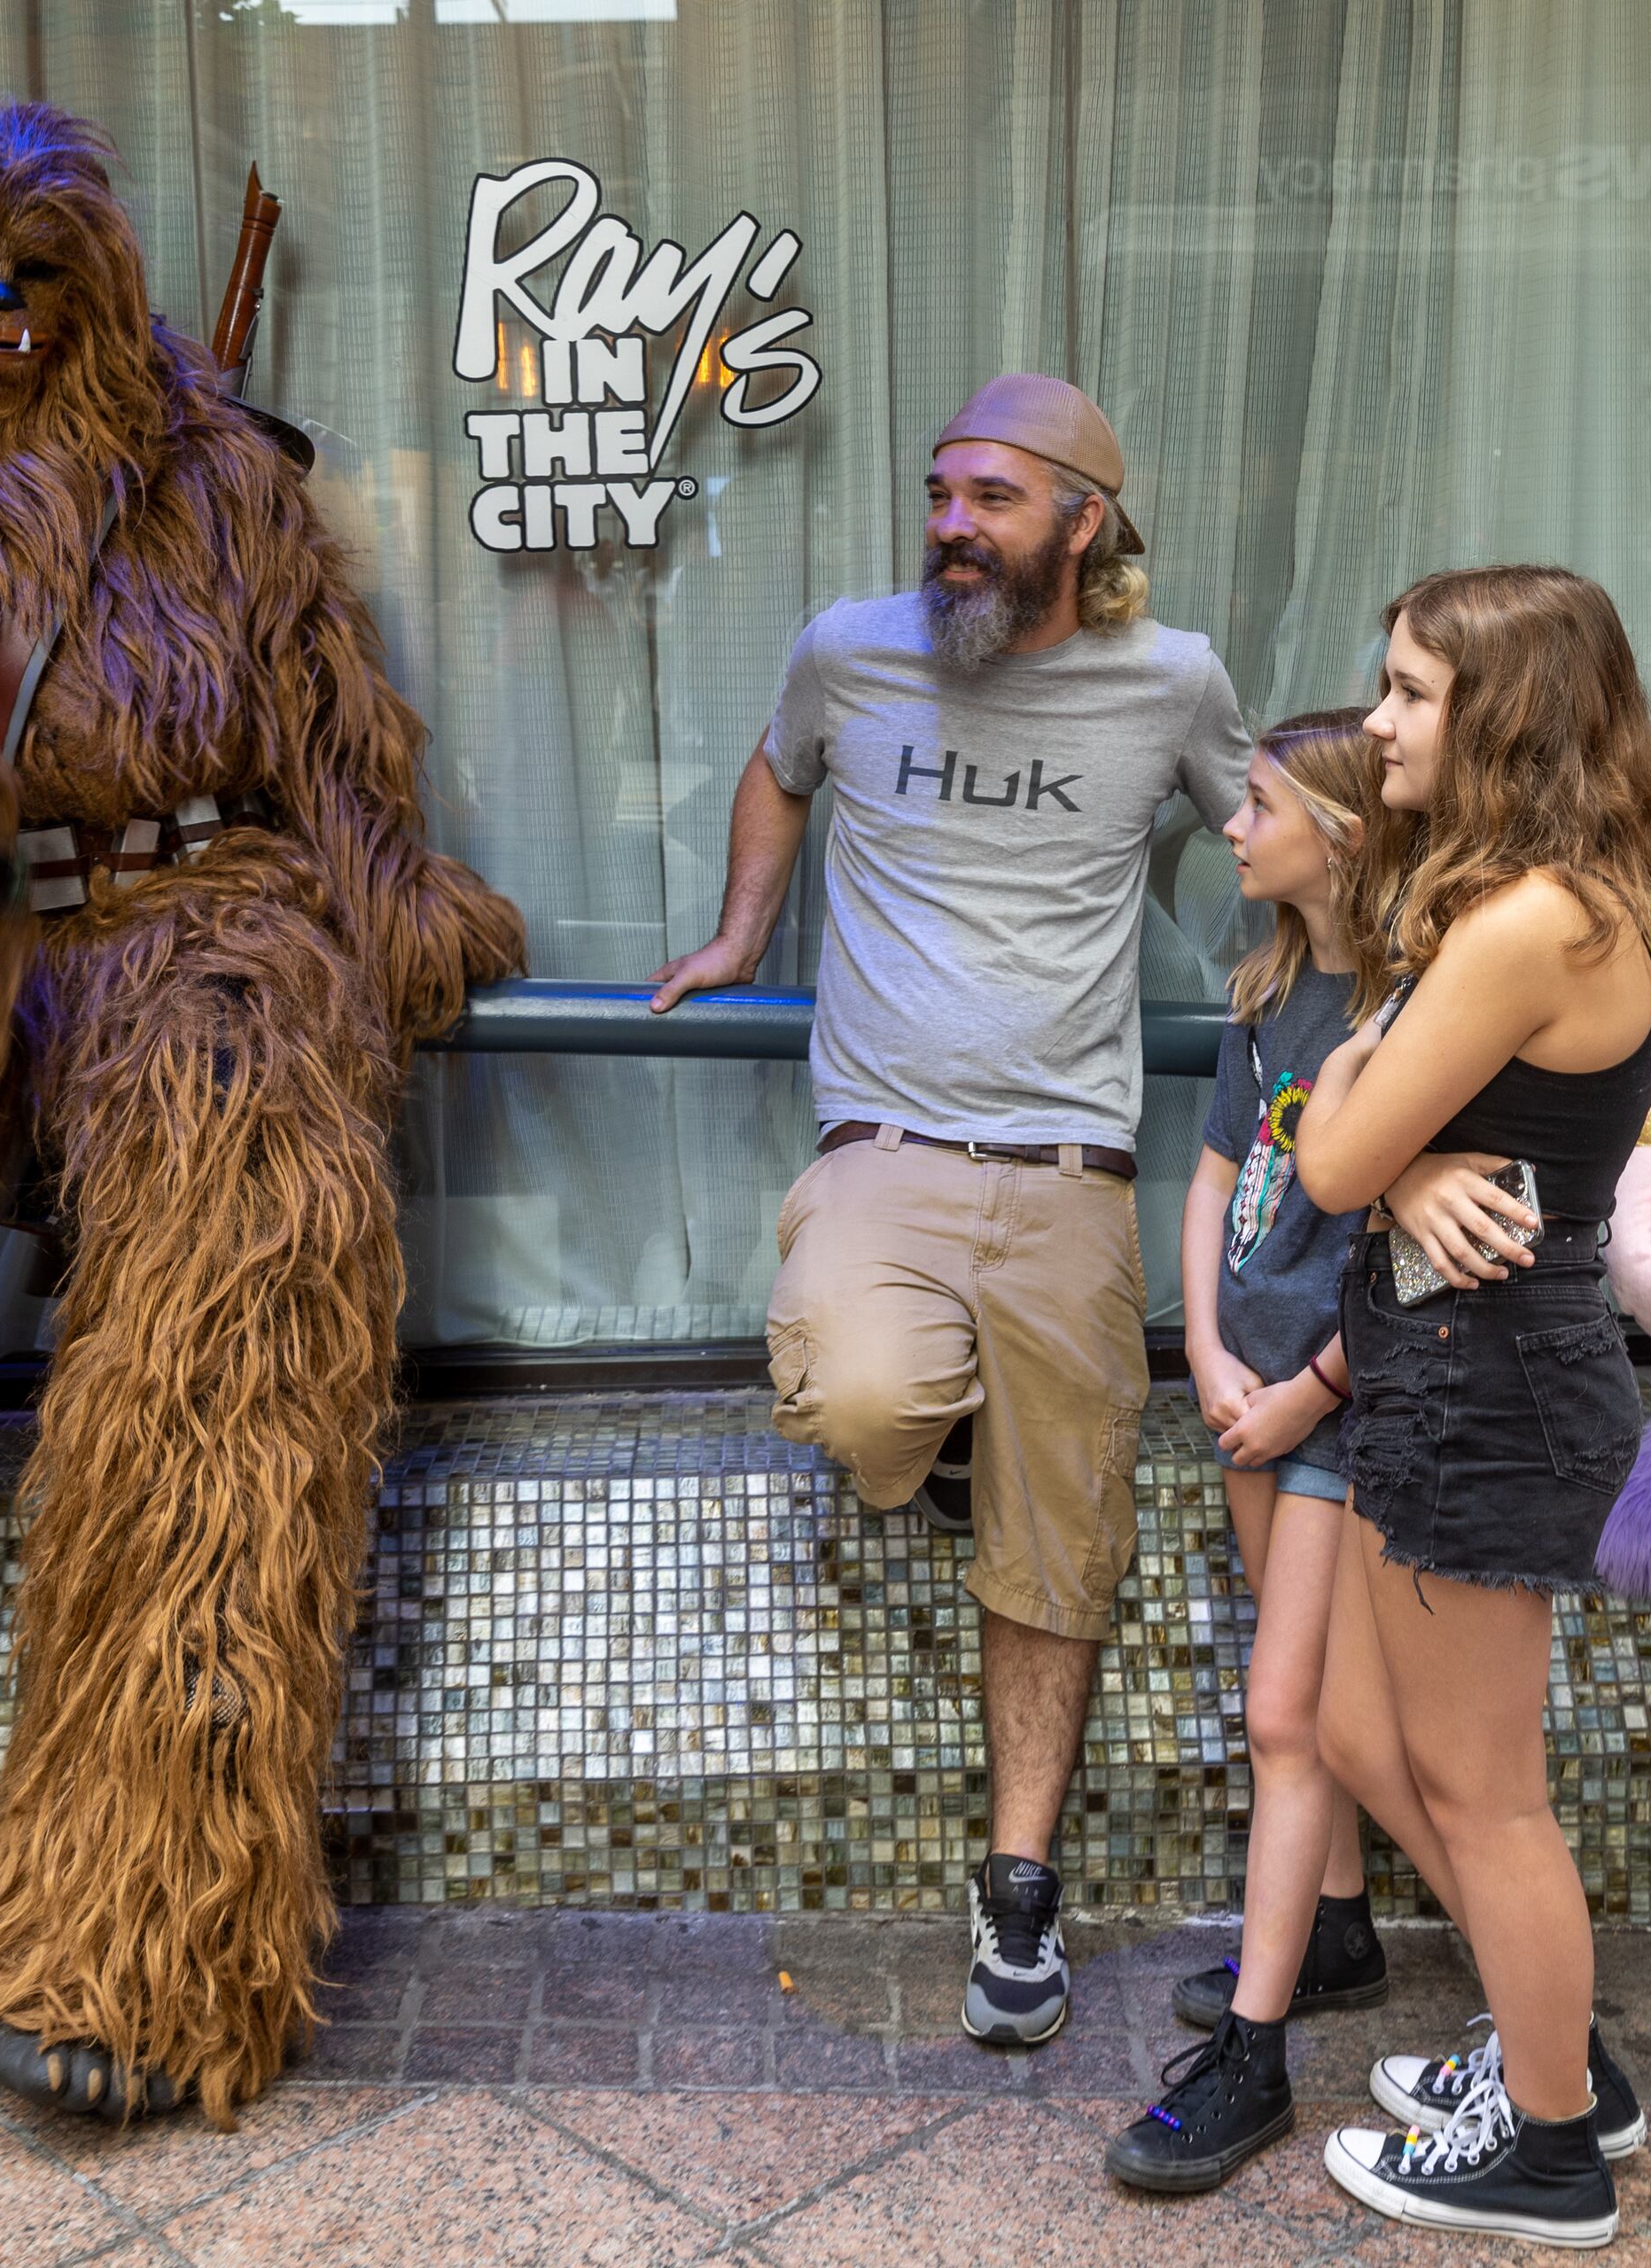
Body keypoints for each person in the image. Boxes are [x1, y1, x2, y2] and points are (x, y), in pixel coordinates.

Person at [650, 375, 1251, 2047]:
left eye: (989, 499)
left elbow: (1269, 833)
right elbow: (782, 775)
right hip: (886, 1150)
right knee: (858, 1391)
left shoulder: (1172, 681)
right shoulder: (851, 650)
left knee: (1060, 1556)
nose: (949, 529)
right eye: (938, 494)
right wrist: (738, 934)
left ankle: (1019, 1889)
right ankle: (953, 1436)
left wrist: (1355, 1003)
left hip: (1073, 1173)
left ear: (1086, 521)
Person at [1289, 565, 1651, 2246]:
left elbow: (1322, 1152)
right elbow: (1365, 1139)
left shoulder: (1530, 924)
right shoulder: (1512, 902)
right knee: (1364, 1739)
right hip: (1440, 1367)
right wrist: (1398, 1165)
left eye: (1408, 693)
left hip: (1485, 1383)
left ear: (1502, 716)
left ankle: (1549, 2151)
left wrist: (1380, 1160)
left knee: (1485, 1791)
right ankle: (1560, 2065)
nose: (1375, 721)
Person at [1106, 710, 1398, 2194]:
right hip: (1251, 1389)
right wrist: (1207, 1353)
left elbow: (1415, 1250)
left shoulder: (1411, 1010)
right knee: (1310, 1703)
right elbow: (1220, 1170)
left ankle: (1268, 2047)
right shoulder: (1272, 983)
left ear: (1342, 832)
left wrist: (1307, 1393)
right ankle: (1335, 1926)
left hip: (1336, 1407)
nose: (1231, 825)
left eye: (1260, 804)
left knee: (1306, 1713)